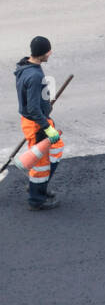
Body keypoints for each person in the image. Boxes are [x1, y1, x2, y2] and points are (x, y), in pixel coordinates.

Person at [14, 35, 63, 211]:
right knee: (40, 162)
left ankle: (39, 187)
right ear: (42, 53)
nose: (50, 53)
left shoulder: (27, 66)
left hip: (38, 119)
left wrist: (45, 106)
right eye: (48, 51)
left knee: (56, 150)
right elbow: (33, 109)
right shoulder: (34, 76)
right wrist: (47, 128)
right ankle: (36, 200)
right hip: (36, 123)